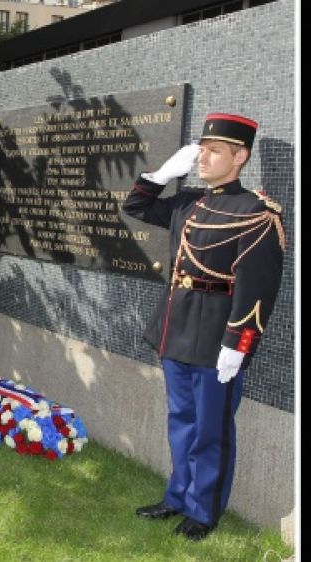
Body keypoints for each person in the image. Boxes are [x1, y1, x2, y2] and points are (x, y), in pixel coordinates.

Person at [123, 114, 285, 541]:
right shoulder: (189, 203)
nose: (202, 158)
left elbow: (258, 288)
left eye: (214, 151)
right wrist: (161, 175)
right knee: (181, 420)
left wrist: (239, 344)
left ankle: (204, 510)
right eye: (201, 149)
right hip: (175, 330)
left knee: (211, 429)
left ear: (240, 157)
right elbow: (135, 206)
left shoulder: (255, 213)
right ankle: (177, 496)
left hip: (218, 339)